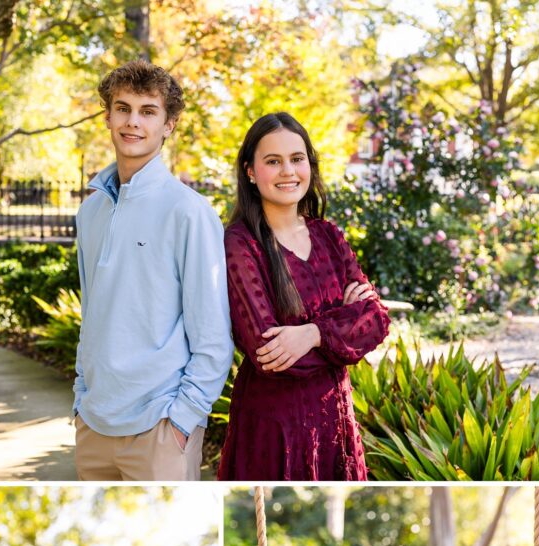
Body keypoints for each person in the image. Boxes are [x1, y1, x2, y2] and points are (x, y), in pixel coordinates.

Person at [73, 60, 233, 481]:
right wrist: (80, 397)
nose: (132, 122)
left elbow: (213, 336)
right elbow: (92, 314)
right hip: (94, 425)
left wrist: (182, 420)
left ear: (169, 124)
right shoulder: (90, 211)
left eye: (148, 111)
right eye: (123, 108)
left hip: (160, 429)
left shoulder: (189, 212)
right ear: (107, 116)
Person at [217, 112, 390, 481]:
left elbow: (376, 319)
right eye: (273, 161)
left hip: (334, 419)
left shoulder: (328, 235)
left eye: (297, 159)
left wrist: (312, 334)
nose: (288, 172)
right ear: (250, 171)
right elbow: (270, 355)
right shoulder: (240, 244)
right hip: (274, 426)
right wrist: (345, 329)